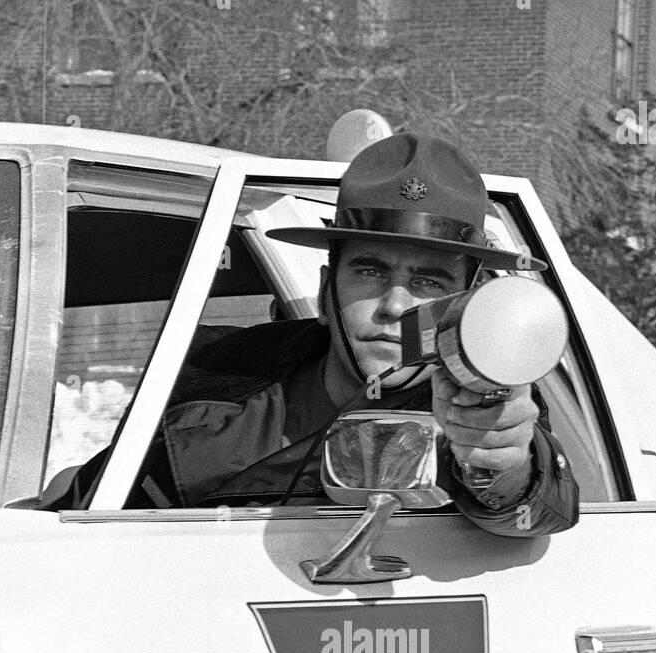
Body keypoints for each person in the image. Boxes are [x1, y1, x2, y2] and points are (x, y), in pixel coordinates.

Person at [39, 134, 579, 535]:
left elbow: (533, 510)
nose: (394, 306)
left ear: (468, 303)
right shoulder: (218, 385)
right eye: (369, 272)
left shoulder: (481, 403)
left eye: (429, 281)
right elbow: (77, 520)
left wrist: (498, 464)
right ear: (326, 293)